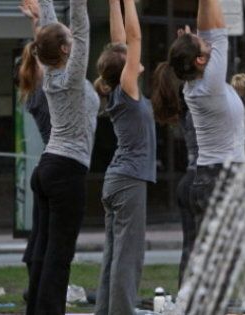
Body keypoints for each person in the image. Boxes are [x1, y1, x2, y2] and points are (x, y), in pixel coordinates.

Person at [18, 0, 99, 313]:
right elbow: (80, 29)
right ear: (66, 50)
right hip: (66, 171)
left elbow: (53, 30)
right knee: (59, 253)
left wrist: (47, 6)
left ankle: (37, 309)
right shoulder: (71, 78)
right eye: (68, 40)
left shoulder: (51, 71)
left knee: (45, 248)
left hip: (49, 169)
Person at [152, 0, 245, 263]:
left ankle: (190, 304)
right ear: (201, 59)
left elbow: (209, 33)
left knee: (202, 259)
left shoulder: (199, 83)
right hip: (221, 178)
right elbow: (217, 31)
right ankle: (204, 305)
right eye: (204, 47)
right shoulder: (209, 86)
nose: (208, 43)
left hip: (209, 177)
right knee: (221, 262)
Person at [93, 0, 157, 313]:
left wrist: (113, 3)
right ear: (125, 66)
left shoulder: (121, 89)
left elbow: (121, 40)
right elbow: (133, 39)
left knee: (114, 253)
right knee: (127, 255)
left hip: (117, 179)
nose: (134, 55)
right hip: (129, 181)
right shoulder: (127, 88)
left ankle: (106, 310)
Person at [17, 0, 52, 278]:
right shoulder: (45, 92)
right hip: (54, 167)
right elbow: (45, 55)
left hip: (43, 169)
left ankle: (33, 280)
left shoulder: (31, 94)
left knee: (40, 231)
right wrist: (38, 23)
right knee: (48, 234)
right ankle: (40, 281)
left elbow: (39, 54)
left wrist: (35, 24)